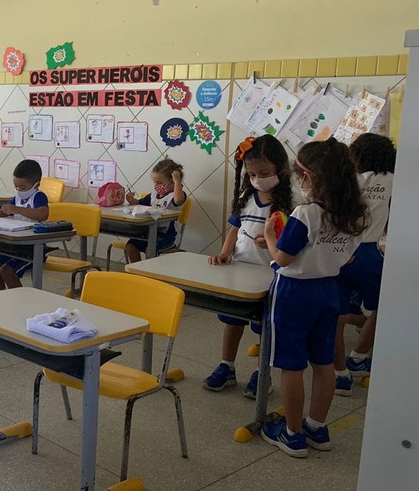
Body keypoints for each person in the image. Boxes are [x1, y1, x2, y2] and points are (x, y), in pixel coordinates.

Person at [261, 138, 367, 457]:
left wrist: (269, 237)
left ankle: (292, 434)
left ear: (309, 178)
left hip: (294, 293)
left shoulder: (305, 214)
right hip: (329, 290)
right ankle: (316, 428)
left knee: (291, 364)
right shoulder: (355, 214)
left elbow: (282, 259)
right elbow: (348, 258)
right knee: (323, 362)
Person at [205, 135, 293, 397]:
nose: (257, 179)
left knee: (264, 326)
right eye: (252, 174)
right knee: (233, 320)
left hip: (271, 275)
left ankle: (261, 372)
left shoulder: (291, 202)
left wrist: (273, 242)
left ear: (281, 169)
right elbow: (234, 230)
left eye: (264, 173)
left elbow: (294, 242)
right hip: (241, 271)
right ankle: (227, 366)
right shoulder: (246, 197)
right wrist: (224, 253)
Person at [334, 133, 396, 395]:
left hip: (340, 251)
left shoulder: (348, 179)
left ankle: (339, 374)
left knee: (335, 317)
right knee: (384, 308)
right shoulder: (393, 180)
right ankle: (358, 357)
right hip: (371, 254)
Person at [0, 159, 49, 290]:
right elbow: (5, 211)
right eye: (16, 186)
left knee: (7, 270)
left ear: (36, 185)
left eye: (22, 187)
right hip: (15, 245)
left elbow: (43, 214)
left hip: (32, 248)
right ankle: (1, 294)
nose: (18, 190)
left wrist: (18, 209)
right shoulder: (17, 197)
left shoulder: (38, 196)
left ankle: (19, 300)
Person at [124, 158, 187, 263]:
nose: (156, 186)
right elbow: (139, 203)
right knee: (131, 245)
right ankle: (138, 270)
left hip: (168, 236)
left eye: (159, 182)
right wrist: (131, 199)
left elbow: (179, 200)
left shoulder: (175, 196)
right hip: (150, 233)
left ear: (172, 182)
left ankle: (149, 272)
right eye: (155, 182)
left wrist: (177, 182)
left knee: (150, 248)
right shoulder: (153, 196)